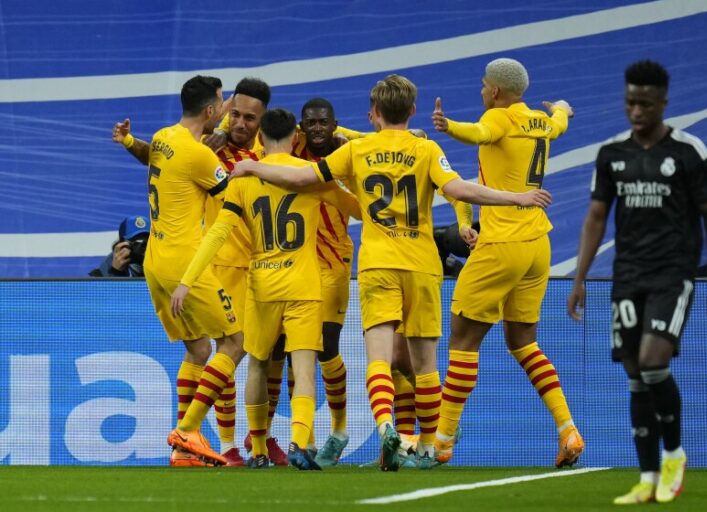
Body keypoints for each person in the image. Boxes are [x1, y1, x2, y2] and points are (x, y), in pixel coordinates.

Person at [230, 74, 552, 471]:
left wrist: (251, 166)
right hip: (421, 264)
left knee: (379, 358)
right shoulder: (427, 149)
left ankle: (386, 425)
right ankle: (430, 446)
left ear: (375, 112)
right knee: (425, 363)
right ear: (413, 110)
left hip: (378, 263)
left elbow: (301, 176)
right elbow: (461, 190)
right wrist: (517, 197)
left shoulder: (358, 151)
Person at [567, 60, 707, 504]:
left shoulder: (687, 151)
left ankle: (675, 454)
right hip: (628, 276)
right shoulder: (612, 154)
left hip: (673, 274)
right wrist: (579, 278)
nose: (636, 111)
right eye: (629, 102)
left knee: (654, 361)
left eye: (645, 103)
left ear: (663, 102)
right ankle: (647, 476)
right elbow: (596, 218)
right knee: (636, 375)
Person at [170, 108, 361, 470]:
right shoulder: (308, 176)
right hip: (304, 284)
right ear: (294, 138)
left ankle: (257, 448)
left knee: (257, 366)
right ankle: (300, 441)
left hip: (261, 285)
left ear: (262, 139)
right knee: (304, 368)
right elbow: (362, 211)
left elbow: (217, 233)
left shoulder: (243, 179)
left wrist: (186, 280)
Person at [431, 57, 584, 468]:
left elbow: (479, 131)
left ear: (495, 91)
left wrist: (449, 127)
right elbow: (561, 123)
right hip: (538, 246)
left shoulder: (498, 118)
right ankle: (568, 428)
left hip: (501, 244)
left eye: (484, 86)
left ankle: (442, 441)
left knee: (463, 341)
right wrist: (563, 108)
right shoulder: (540, 121)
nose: (482, 91)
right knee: (524, 342)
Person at [140, 75, 247, 467]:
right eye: (221, 104)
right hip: (186, 263)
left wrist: (132, 143)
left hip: (155, 261)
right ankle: (188, 428)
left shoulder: (165, 137)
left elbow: (150, 154)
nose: (224, 110)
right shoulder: (201, 156)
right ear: (209, 110)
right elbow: (231, 196)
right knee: (234, 343)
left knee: (199, 348)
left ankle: (185, 449)